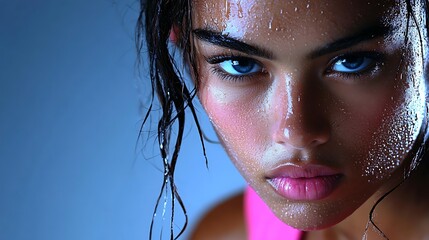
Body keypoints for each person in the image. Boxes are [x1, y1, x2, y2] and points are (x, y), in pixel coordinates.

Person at [137, 0, 429, 239]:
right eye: (241, 64)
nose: (296, 132)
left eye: (352, 62)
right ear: (187, 53)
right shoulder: (229, 234)